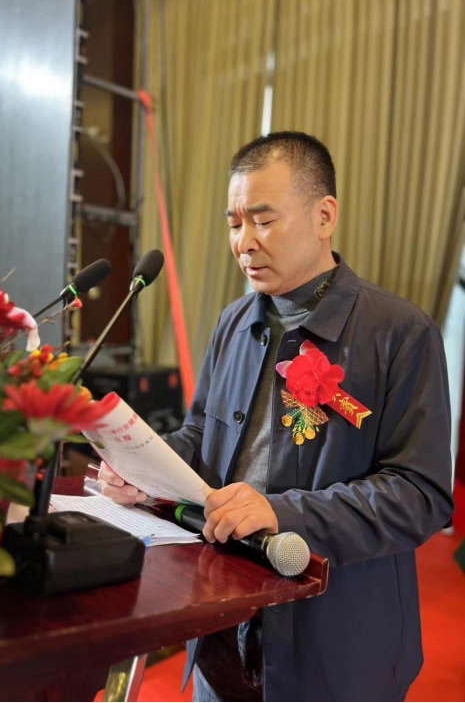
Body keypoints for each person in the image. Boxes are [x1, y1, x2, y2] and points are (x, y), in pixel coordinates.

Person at [99, 131, 453, 703]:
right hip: (220, 617)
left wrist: (281, 511)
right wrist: (140, 464)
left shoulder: (398, 332)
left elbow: (420, 494)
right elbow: (202, 435)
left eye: (263, 220)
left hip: (335, 641)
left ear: (324, 216)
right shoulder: (234, 321)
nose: (244, 242)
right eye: (234, 223)